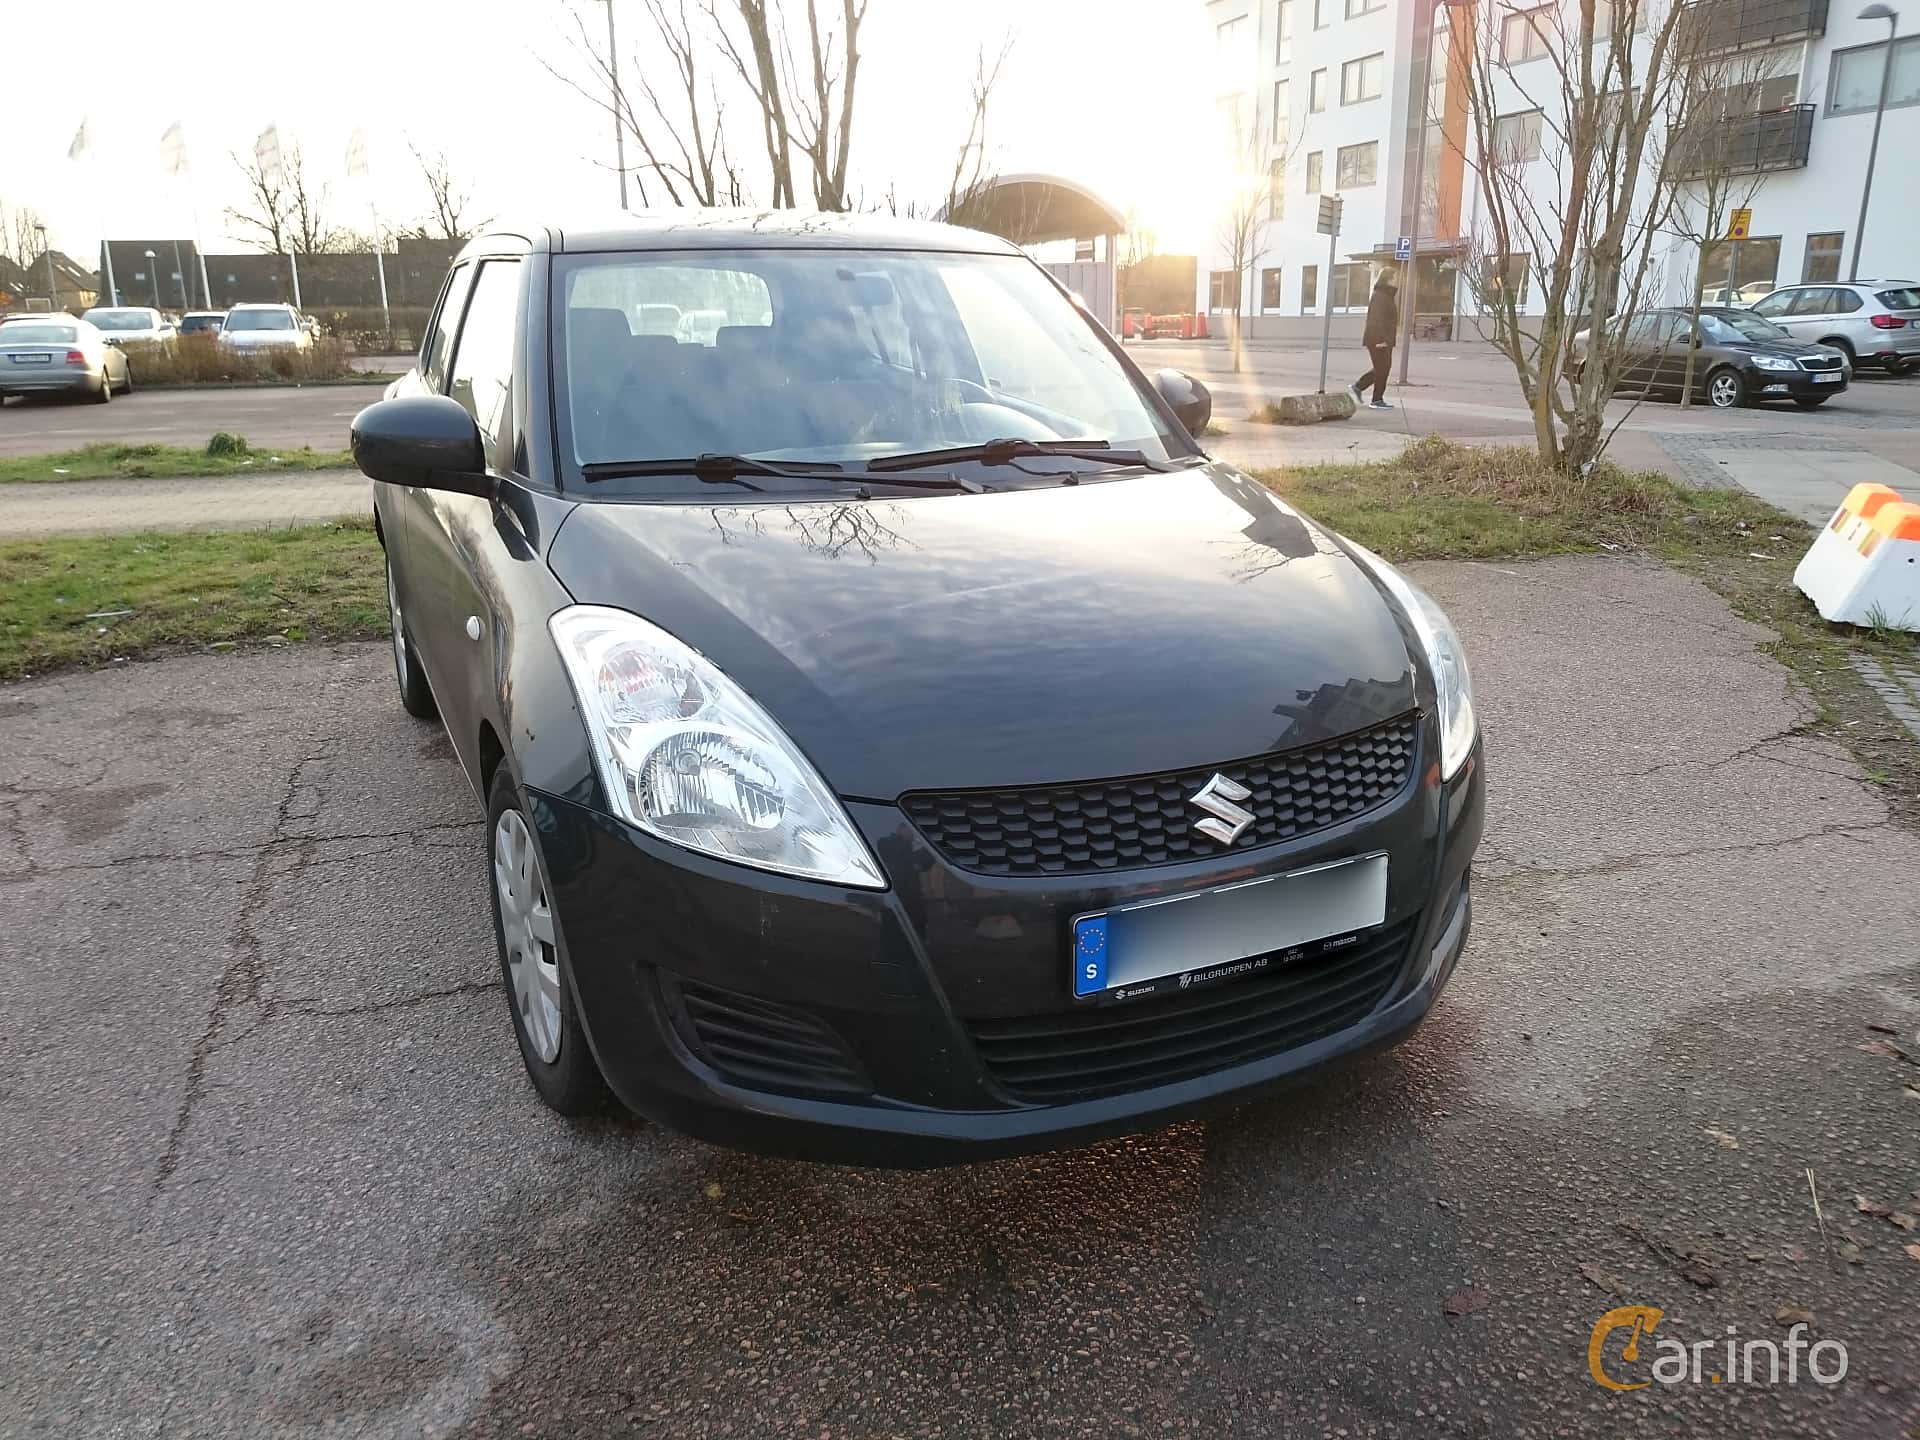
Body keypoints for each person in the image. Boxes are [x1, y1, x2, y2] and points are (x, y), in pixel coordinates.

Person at [1348, 272, 1399, 410]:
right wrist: (1381, 339)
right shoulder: (1380, 296)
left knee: (1382, 368)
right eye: (1395, 277)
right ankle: (1376, 399)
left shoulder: (1386, 295)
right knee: (1383, 368)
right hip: (1377, 339)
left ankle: (1359, 387)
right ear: (1388, 279)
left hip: (1384, 339)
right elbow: (1375, 320)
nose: (1397, 280)